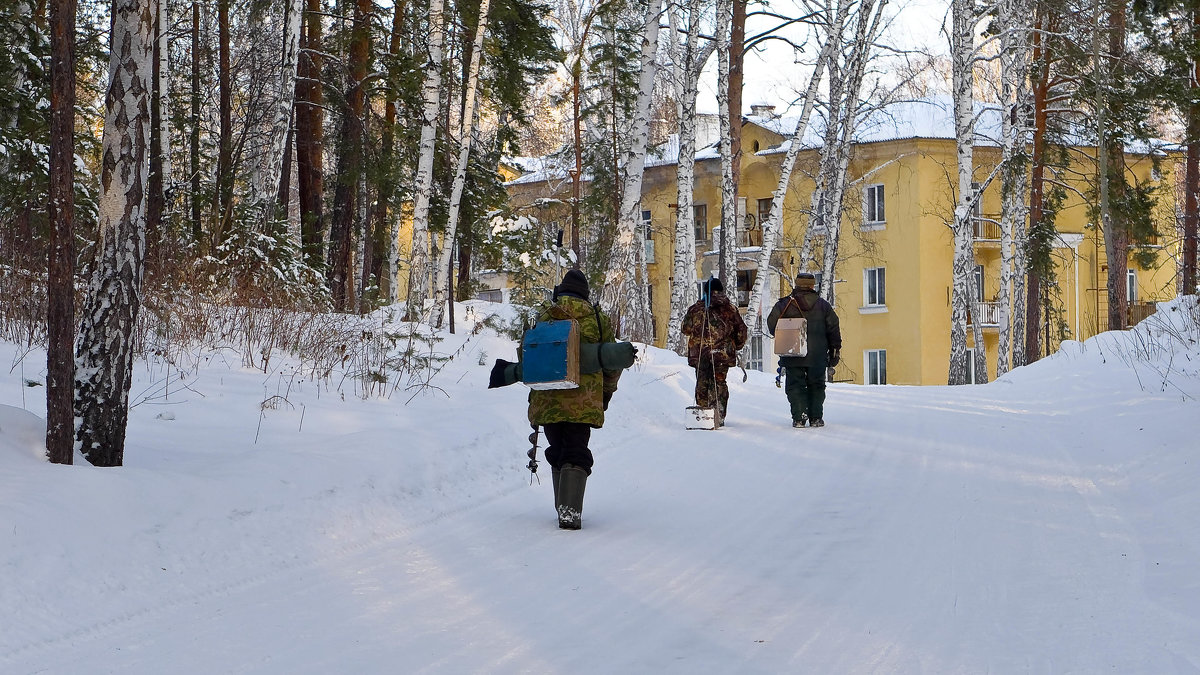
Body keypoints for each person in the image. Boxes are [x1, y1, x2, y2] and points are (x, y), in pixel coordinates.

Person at [525, 269, 631, 529]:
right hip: (582, 403)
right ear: (585, 293)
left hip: (547, 400)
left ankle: (564, 508)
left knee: (558, 450)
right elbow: (611, 362)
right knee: (575, 450)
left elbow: (527, 355)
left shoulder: (544, 315)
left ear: (561, 291)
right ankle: (569, 511)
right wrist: (605, 394)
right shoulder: (596, 319)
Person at [766, 272, 842, 428]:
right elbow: (833, 329)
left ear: (797, 285)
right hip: (817, 355)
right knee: (817, 384)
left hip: (792, 352)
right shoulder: (823, 306)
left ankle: (799, 417)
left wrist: (785, 335)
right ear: (812, 286)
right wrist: (835, 350)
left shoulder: (783, 305)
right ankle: (816, 418)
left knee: (795, 385)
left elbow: (772, 325)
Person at [680, 276, 748, 427]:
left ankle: (703, 414)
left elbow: (685, 329)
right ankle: (719, 414)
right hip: (722, 354)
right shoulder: (730, 309)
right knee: (719, 382)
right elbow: (741, 331)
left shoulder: (696, 308)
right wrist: (735, 345)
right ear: (721, 291)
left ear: (705, 291)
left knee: (702, 382)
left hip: (700, 354)